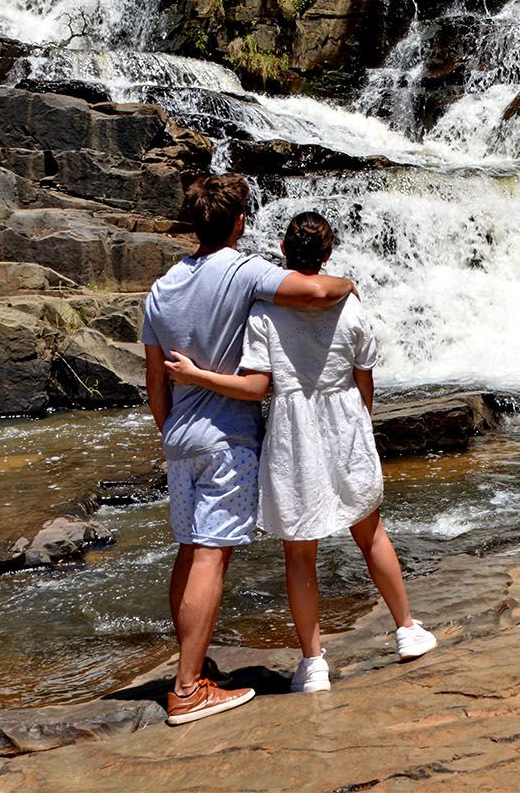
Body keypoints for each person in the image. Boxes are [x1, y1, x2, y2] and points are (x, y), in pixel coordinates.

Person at [164, 211, 436, 696]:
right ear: (328, 255)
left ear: (283, 255)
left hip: (292, 429)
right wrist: (360, 425)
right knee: (370, 530)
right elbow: (364, 376)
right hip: (345, 419)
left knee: (299, 551)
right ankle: (407, 629)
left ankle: (313, 664)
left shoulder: (265, 312)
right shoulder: (349, 306)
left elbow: (258, 384)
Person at [140, 176, 355, 726]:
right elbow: (313, 291)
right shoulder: (242, 271)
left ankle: (191, 665)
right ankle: (188, 690)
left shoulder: (162, 288)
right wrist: (347, 281)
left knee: (189, 550)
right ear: (238, 224)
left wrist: (172, 435)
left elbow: (155, 385)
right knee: (211, 554)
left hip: (180, 438)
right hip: (226, 436)